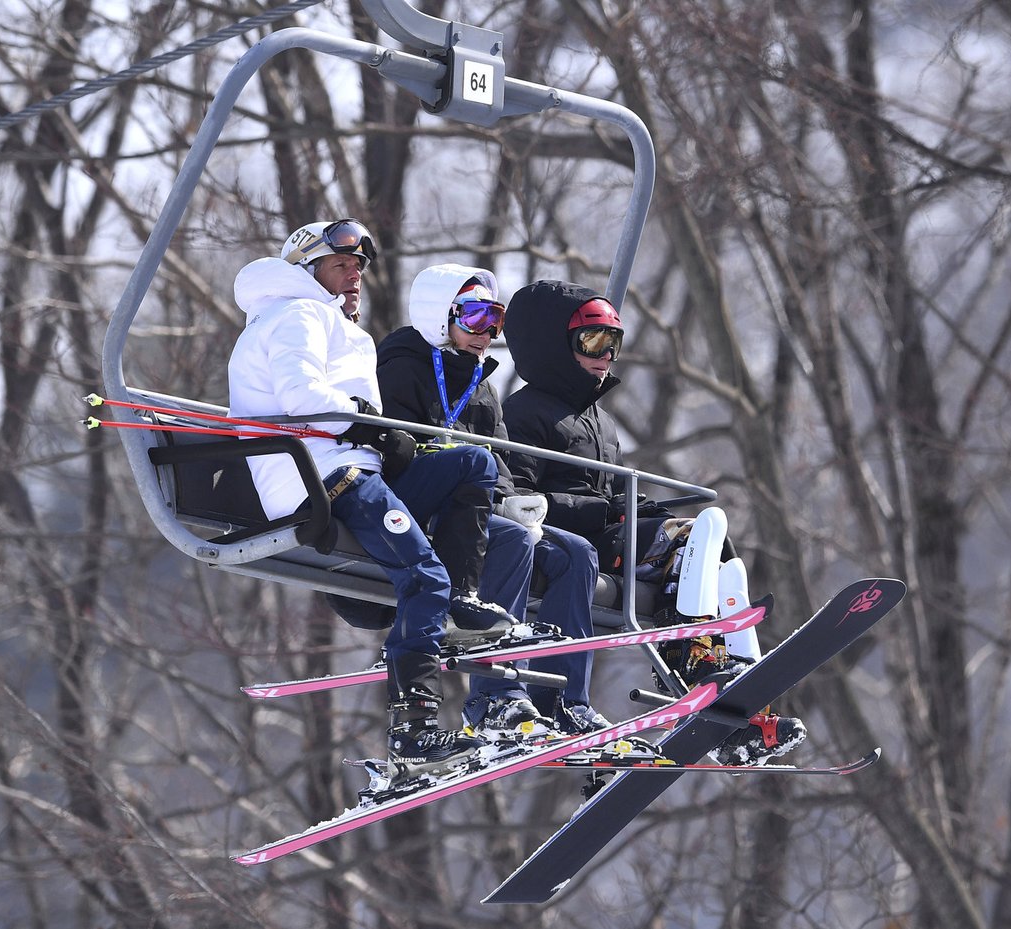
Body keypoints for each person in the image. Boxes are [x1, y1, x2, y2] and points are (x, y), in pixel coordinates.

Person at [227, 218, 523, 775]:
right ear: (306, 269)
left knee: (473, 462)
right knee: (423, 576)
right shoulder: (297, 314)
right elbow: (300, 396)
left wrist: (387, 441)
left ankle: (459, 601)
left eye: (359, 265)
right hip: (323, 478)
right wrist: (367, 424)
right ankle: (414, 730)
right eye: (341, 264)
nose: (355, 275)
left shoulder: (324, 319)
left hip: (351, 469)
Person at [500, 279, 807, 766]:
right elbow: (518, 500)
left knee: (713, 546)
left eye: (613, 344)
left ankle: (735, 687)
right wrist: (604, 510)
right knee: (693, 536)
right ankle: (697, 661)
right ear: (551, 345)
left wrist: (636, 508)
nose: (606, 355)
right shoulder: (522, 413)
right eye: (593, 341)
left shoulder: (598, 421)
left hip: (605, 533)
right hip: (568, 544)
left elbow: (613, 492)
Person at [375, 264, 609, 737]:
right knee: (511, 542)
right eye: (475, 317)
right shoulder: (402, 366)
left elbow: (499, 456)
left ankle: (561, 697)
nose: (487, 332)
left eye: (495, 319)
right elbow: (394, 451)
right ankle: (495, 697)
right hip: (423, 504)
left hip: (476, 505)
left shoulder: (481, 384)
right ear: (442, 316)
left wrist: (510, 500)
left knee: (577, 553)